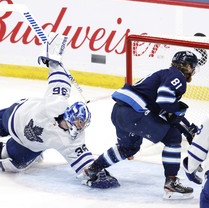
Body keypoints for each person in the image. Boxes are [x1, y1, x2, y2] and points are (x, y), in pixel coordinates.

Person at [0, 32, 119, 188]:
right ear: (69, 116)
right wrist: (52, 57)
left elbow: (84, 162)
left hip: (29, 146)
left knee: (12, 162)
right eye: (78, 122)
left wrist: (96, 174)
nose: (79, 127)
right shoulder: (55, 102)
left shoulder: (72, 141)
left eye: (82, 124)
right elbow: (58, 75)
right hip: (14, 117)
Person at [81, 50, 200, 199]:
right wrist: (181, 117)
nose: (193, 71)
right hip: (134, 113)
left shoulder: (165, 73)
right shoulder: (177, 76)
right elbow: (165, 100)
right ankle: (172, 184)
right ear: (188, 66)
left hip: (119, 111)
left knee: (128, 148)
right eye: (193, 67)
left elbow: (164, 111)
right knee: (173, 138)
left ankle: (92, 170)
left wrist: (185, 125)